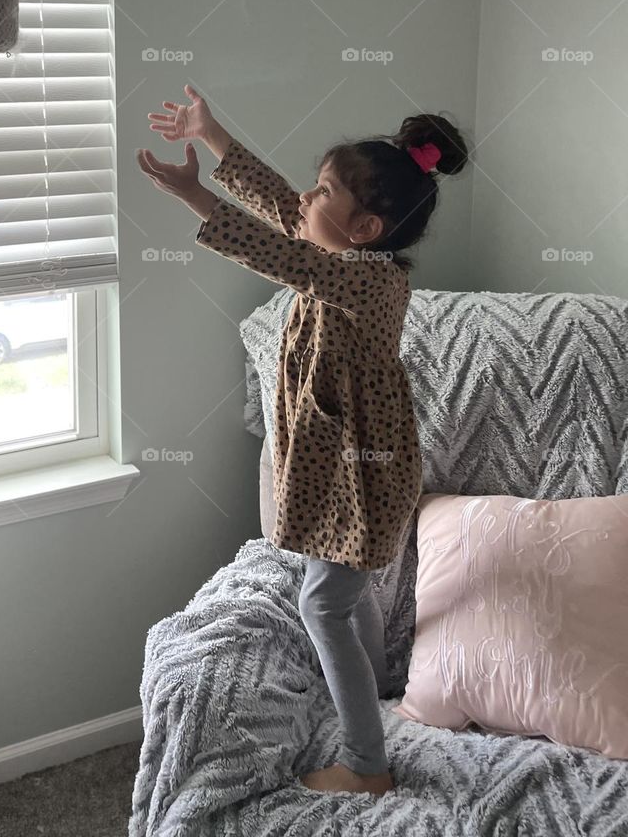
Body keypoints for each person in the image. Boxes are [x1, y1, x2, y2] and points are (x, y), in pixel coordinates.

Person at [136, 84, 471, 797]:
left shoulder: (367, 284)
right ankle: (376, 693)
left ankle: (366, 763)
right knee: (343, 597)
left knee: (324, 603)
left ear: (366, 230)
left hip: (363, 475)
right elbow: (282, 210)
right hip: (332, 470)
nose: (305, 201)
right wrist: (214, 137)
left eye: (324, 192)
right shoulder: (337, 250)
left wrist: (195, 199)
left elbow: (279, 252)